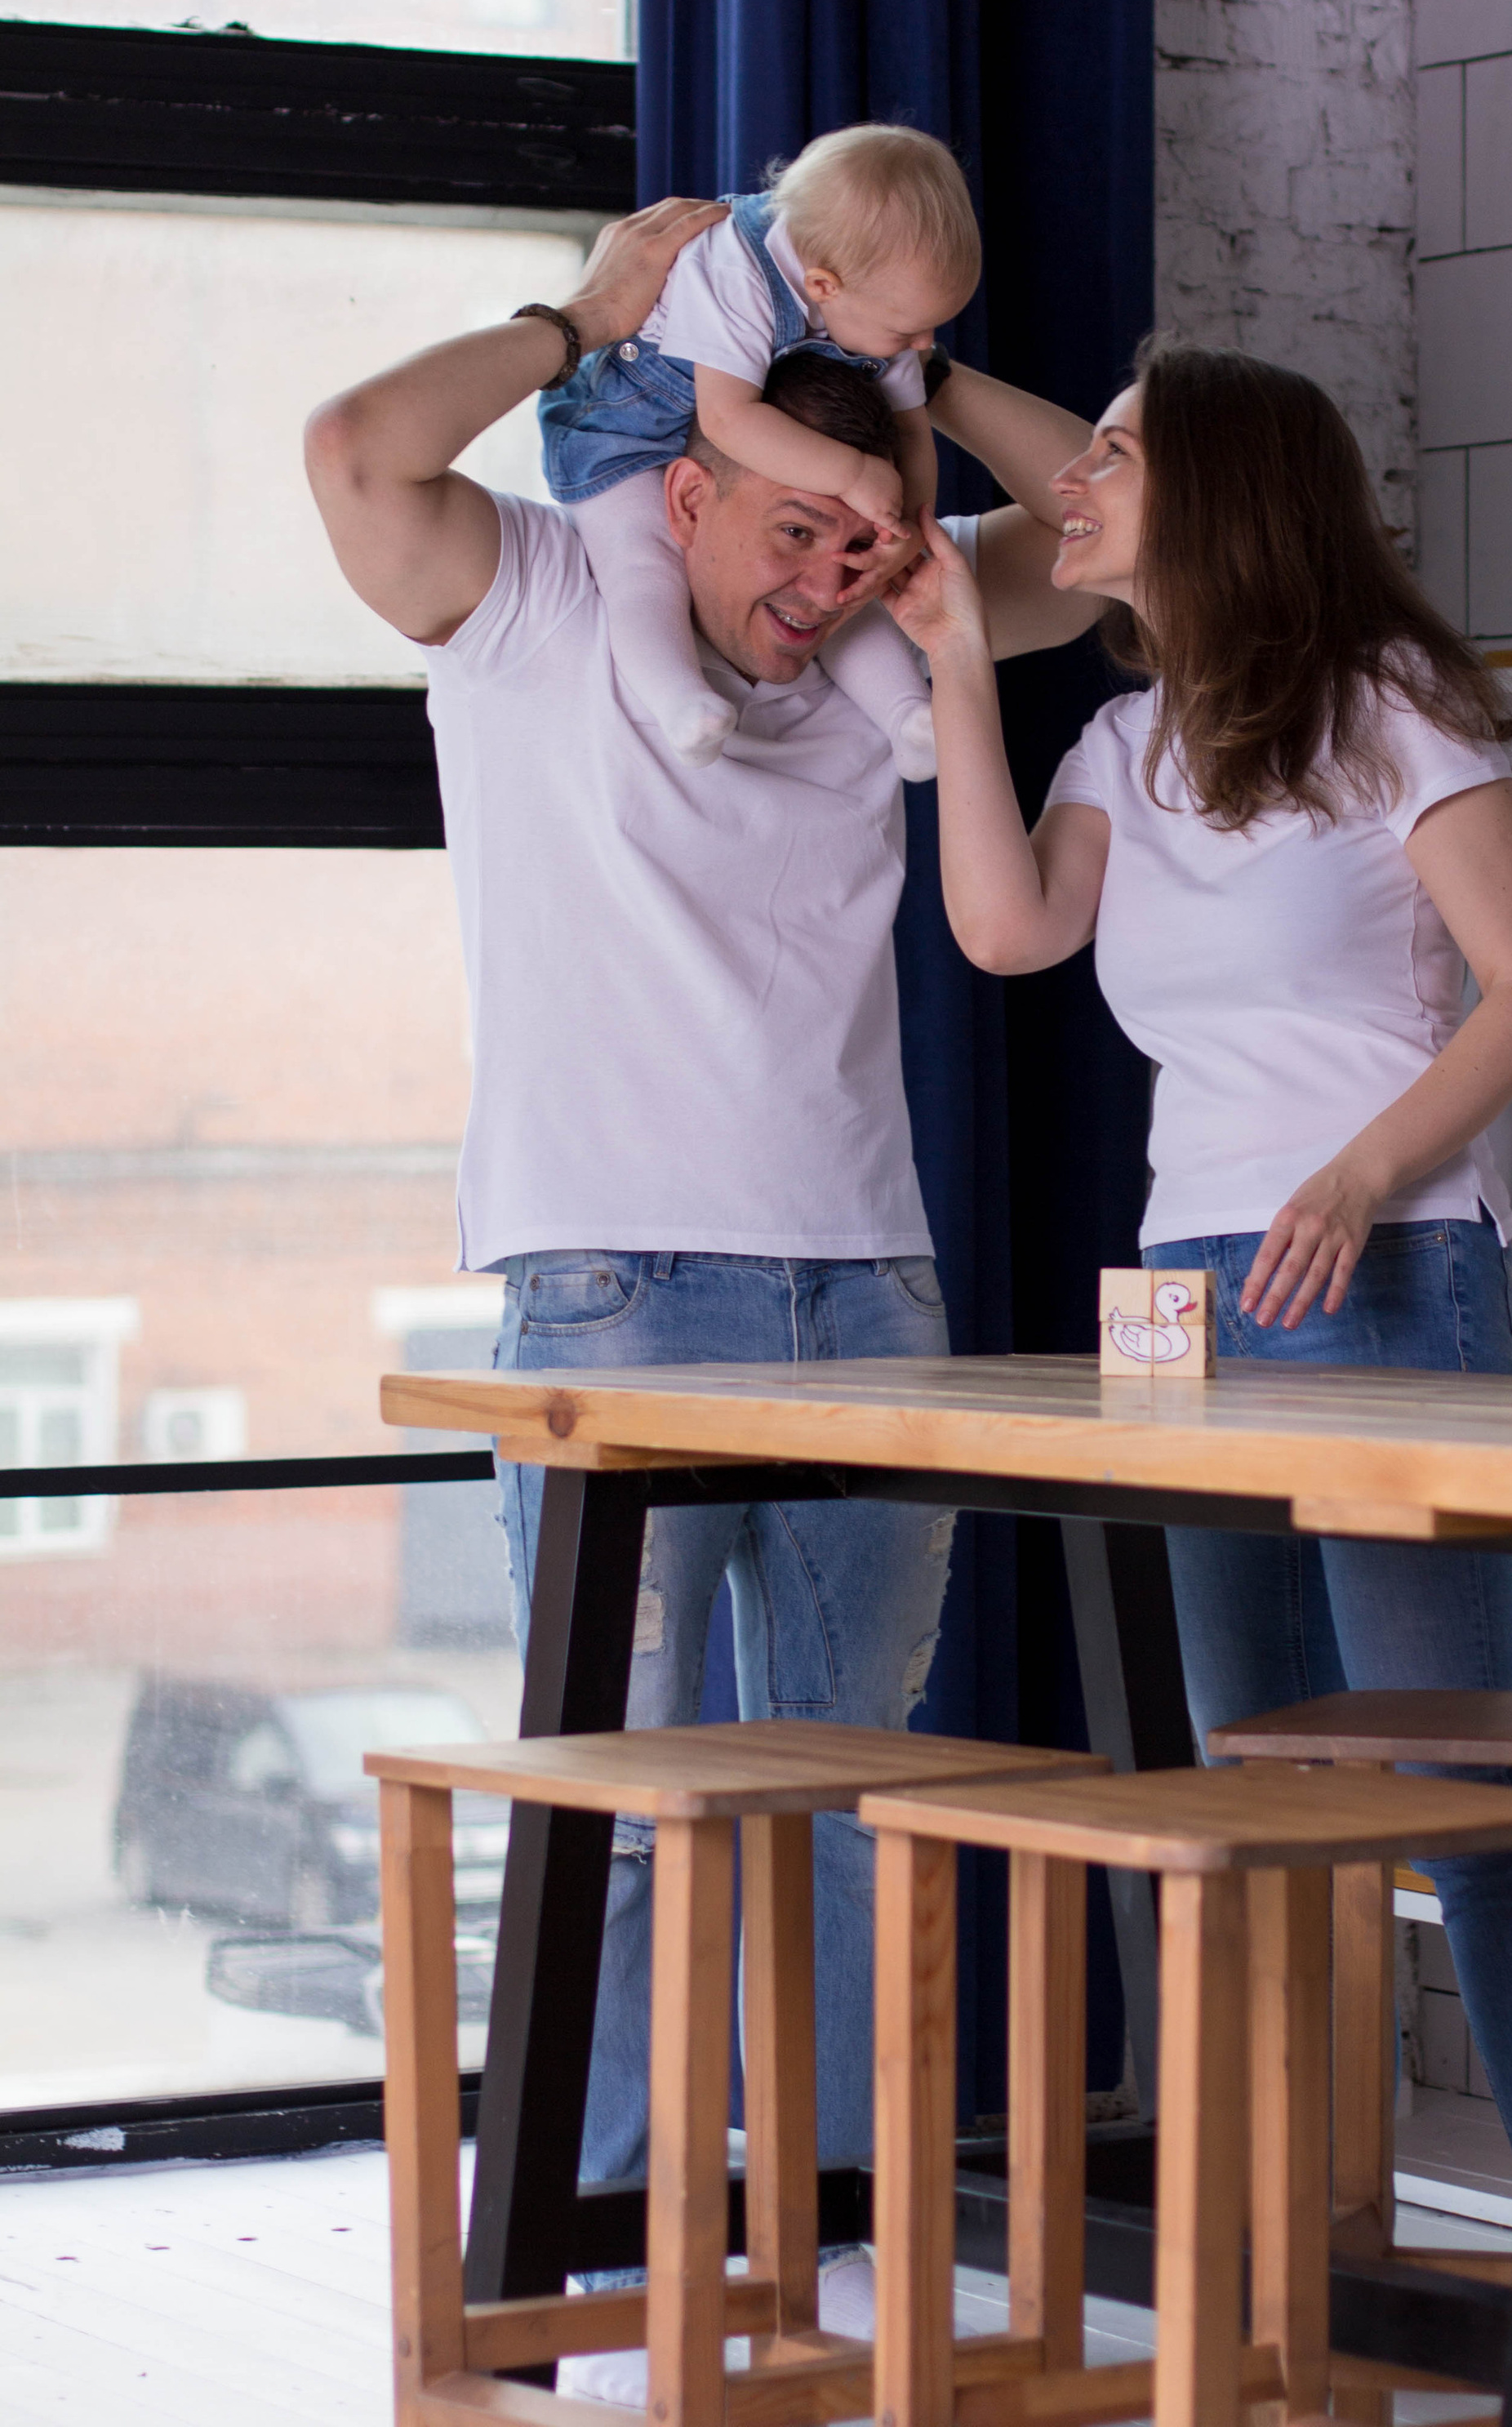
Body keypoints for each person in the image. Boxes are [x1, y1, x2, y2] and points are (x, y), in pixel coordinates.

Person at [303, 198, 1094, 2248]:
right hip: (617, 1295)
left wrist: (905, 412)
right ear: (684, 486)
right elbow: (353, 453)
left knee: (842, 1796)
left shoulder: (868, 653)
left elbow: (1107, 520)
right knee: (631, 1805)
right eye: (789, 535)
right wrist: (584, 318)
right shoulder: (543, 592)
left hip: (868, 1294)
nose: (820, 581)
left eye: (857, 548)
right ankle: (598, 2246)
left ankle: (823, 2247)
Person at [887, 334, 1512, 2175]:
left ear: (1219, 495)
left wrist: (1356, 1178)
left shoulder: (1388, 712)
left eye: (1111, 453)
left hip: (1383, 1261)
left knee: (1451, 1792)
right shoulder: (1120, 737)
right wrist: (957, 660)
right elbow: (1006, 928)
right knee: (1245, 1780)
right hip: (1184, 1292)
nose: (1073, 486)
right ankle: (1268, 2251)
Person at [540, 125, 976, 776]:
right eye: (908, 330)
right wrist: (855, 470)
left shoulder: (872, 293)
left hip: (735, 438)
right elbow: (727, 418)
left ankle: (907, 717)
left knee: (843, 583)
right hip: (625, 433)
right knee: (640, 564)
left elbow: (912, 431)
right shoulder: (732, 271)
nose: (923, 345)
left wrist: (902, 531)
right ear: (824, 287)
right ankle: (679, 700)